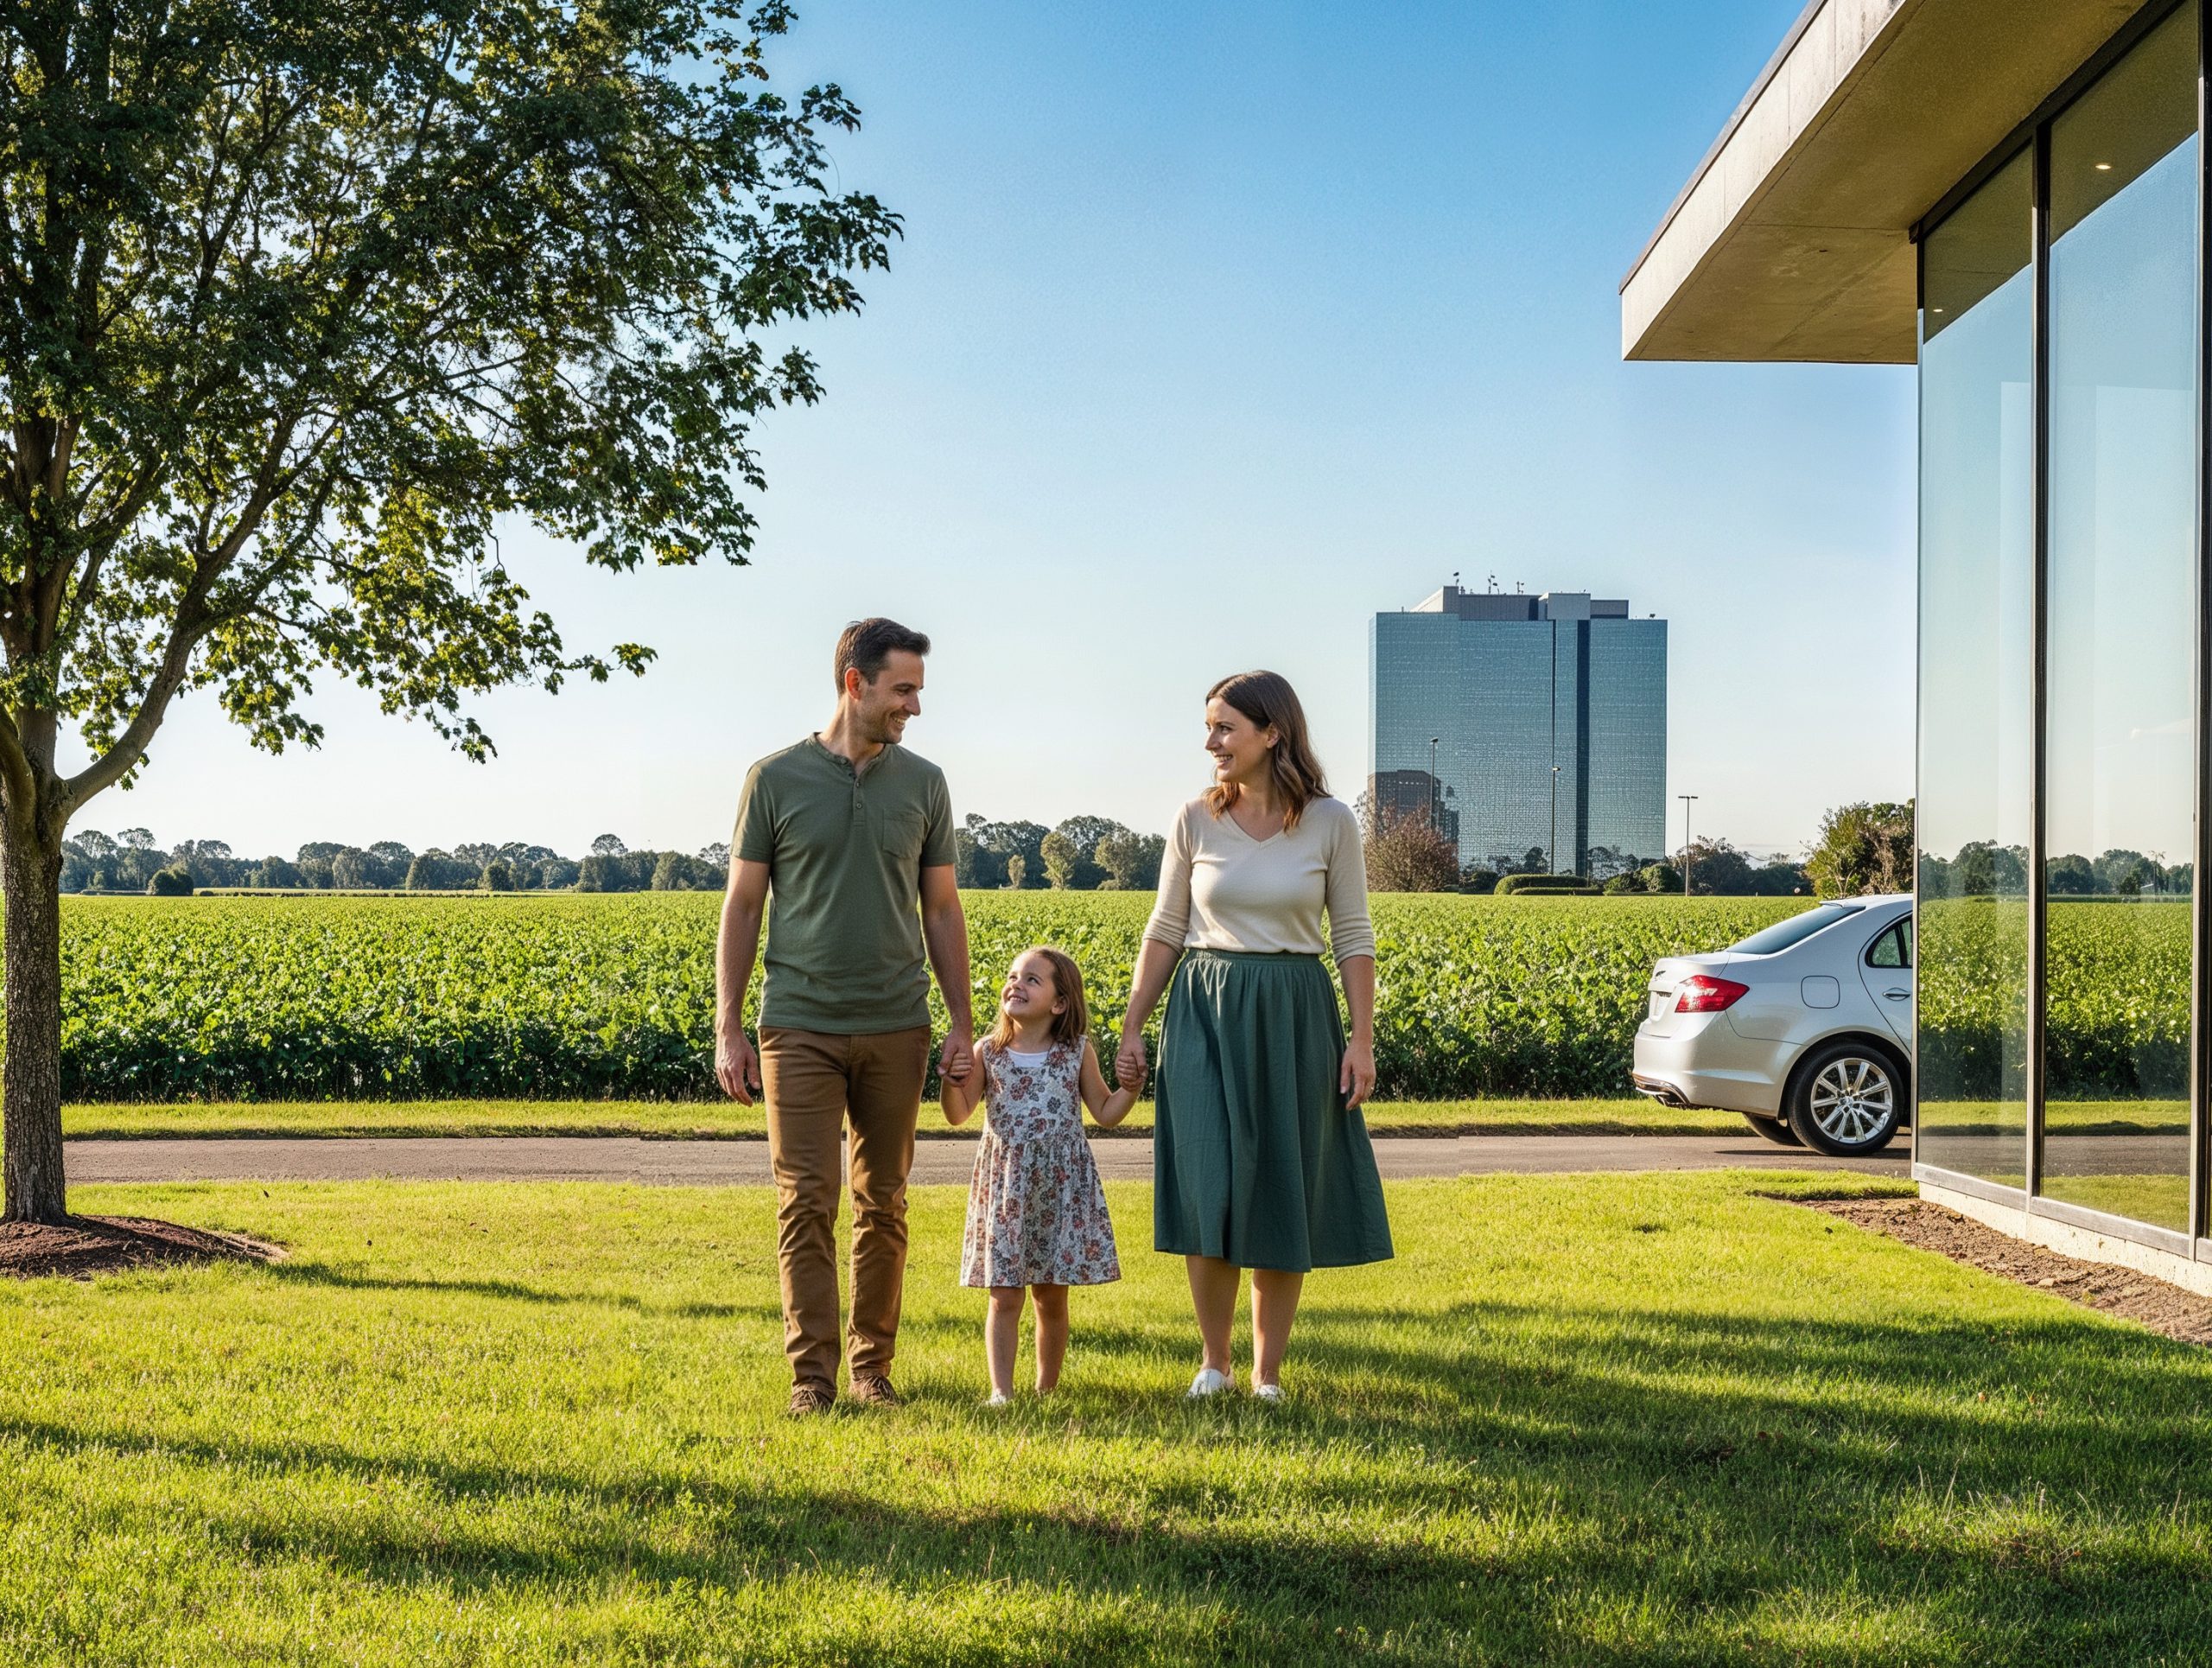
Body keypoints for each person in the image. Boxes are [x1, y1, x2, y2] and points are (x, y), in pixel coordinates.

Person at [715, 618, 975, 1417]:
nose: (915, 708)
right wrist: (729, 1025)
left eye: (919, 692)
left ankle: (872, 1368)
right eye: (904, 690)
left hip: (898, 1023)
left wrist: (962, 1023)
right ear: (855, 683)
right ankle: (812, 1381)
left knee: (884, 1203)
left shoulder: (924, 783)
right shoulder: (774, 780)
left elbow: (941, 909)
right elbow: (744, 903)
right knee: (805, 1200)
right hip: (797, 1023)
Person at [1116, 670, 1392, 1402]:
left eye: (1225, 728)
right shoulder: (1194, 818)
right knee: (1208, 1181)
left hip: (1296, 1011)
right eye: (1209, 727)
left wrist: (1360, 1040)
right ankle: (1215, 1362)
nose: (1211, 742)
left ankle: (1266, 1373)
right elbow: (1167, 928)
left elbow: (1354, 936)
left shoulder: (1331, 822)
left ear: (1273, 733)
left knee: (1282, 1181)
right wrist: (1134, 1024)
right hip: (1204, 1009)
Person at [943, 946, 1137, 1405]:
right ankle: (1001, 1392)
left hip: (1060, 1188)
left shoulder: (1076, 1052)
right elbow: (957, 1114)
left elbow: (1106, 1112)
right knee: (1004, 1295)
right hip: (1007, 1188)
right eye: (1013, 976)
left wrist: (1131, 1087)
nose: (1017, 984)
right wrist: (952, 1083)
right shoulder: (987, 1053)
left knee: (1051, 1298)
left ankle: (1046, 1389)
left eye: (1033, 979)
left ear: (1060, 1003)